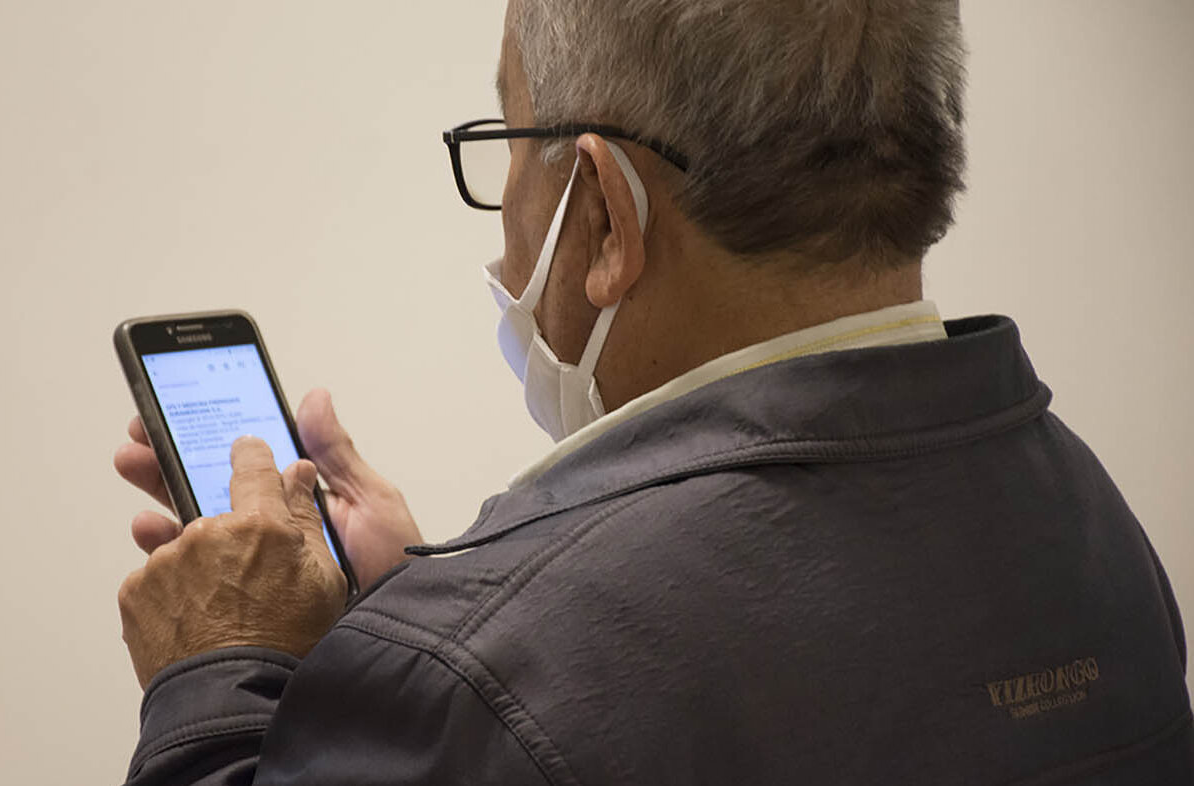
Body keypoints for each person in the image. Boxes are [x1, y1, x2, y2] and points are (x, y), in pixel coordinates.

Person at [112, 1, 1193, 783]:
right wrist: (424, 620)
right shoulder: (1091, 525)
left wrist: (220, 680)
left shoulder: (486, 682)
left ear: (601, 214)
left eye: (509, 146)